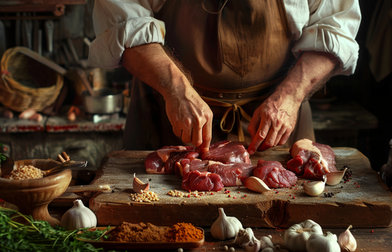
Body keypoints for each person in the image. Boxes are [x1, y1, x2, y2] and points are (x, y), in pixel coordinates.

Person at [88, 0, 361, 154]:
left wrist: (288, 98)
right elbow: (122, 22)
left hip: (277, 122)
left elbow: (335, 28)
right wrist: (178, 92)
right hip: (169, 117)